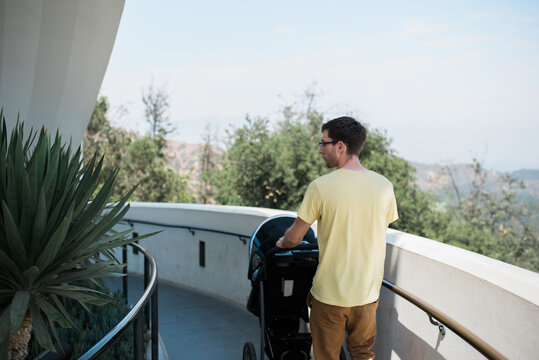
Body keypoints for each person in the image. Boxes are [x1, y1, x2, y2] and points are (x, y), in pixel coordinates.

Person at [276, 116, 398, 360]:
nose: (321, 150)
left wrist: (280, 243)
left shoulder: (321, 186)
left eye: (324, 143)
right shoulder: (384, 186)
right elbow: (379, 229)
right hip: (367, 293)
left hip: (331, 293)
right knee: (363, 354)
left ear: (340, 146)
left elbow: (294, 237)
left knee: (325, 357)